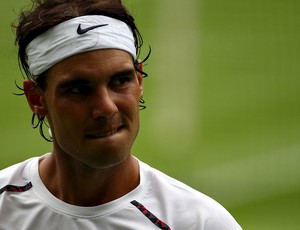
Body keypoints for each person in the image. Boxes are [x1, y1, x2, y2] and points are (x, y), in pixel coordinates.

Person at [0, 0, 242, 229]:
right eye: (77, 89)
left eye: (120, 80)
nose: (106, 107)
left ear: (139, 82)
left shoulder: (199, 222)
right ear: (36, 99)